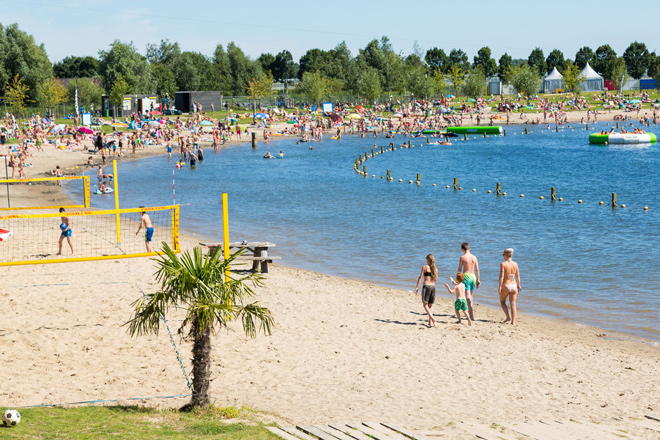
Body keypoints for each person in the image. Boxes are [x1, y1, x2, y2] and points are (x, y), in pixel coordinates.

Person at [457, 242, 480, 321]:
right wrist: (478, 279)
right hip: (473, 277)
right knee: (471, 295)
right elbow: (477, 269)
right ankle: (470, 313)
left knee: (467, 297)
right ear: (469, 249)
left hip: (466, 276)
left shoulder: (462, 257)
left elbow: (459, 270)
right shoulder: (474, 257)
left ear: (463, 249)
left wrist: (458, 279)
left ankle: (471, 315)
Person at [414, 254, 438, 327]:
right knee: (430, 305)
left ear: (427, 260)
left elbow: (420, 278)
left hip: (426, 287)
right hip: (433, 287)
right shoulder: (435, 269)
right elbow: (435, 280)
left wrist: (417, 287)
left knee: (425, 305)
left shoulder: (424, 267)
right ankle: (430, 322)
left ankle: (433, 318)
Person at [499, 248, 521, 325]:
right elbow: (518, 276)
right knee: (513, 304)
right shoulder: (515, 264)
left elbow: (501, 277)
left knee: (502, 302)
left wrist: (499, 287)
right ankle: (513, 321)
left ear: (505, 255)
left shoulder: (503, 264)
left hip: (506, 285)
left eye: (503, 255)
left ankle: (508, 317)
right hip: (514, 285)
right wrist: (519, 285)